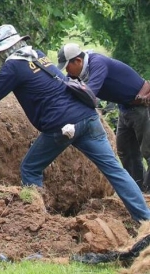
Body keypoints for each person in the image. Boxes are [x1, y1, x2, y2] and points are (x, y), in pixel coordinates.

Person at [0, 24, 150, 223]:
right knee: (115, 171)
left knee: (30, 168)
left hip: (61, 126)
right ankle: (145, 220)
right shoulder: (38, 55)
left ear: (3, 51)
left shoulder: (13, 66)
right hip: (88, 118)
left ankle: (36, 224)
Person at [57, 43, 150, 193]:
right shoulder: (81, 71)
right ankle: (138, 192)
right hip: (125, 108)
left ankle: (147, 193)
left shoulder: (97, 63)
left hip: (142, 105)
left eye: (67, 66)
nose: (66, 71)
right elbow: (66, 86)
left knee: (148, 151)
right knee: (126, 152)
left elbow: (90, 94)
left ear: (78, 61)